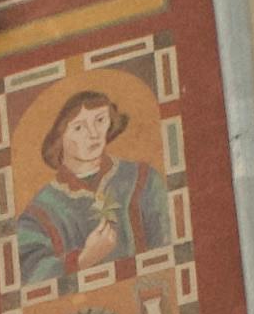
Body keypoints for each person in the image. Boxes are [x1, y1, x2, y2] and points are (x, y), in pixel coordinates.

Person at [13, 85, 173, 290]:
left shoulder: (143, 180)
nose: (94, 134)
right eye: (79, 127)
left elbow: (168, 246)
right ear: (59, 139)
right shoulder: (39, 212)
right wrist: (82, 260)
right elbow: (30, 275)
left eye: (100, 120)